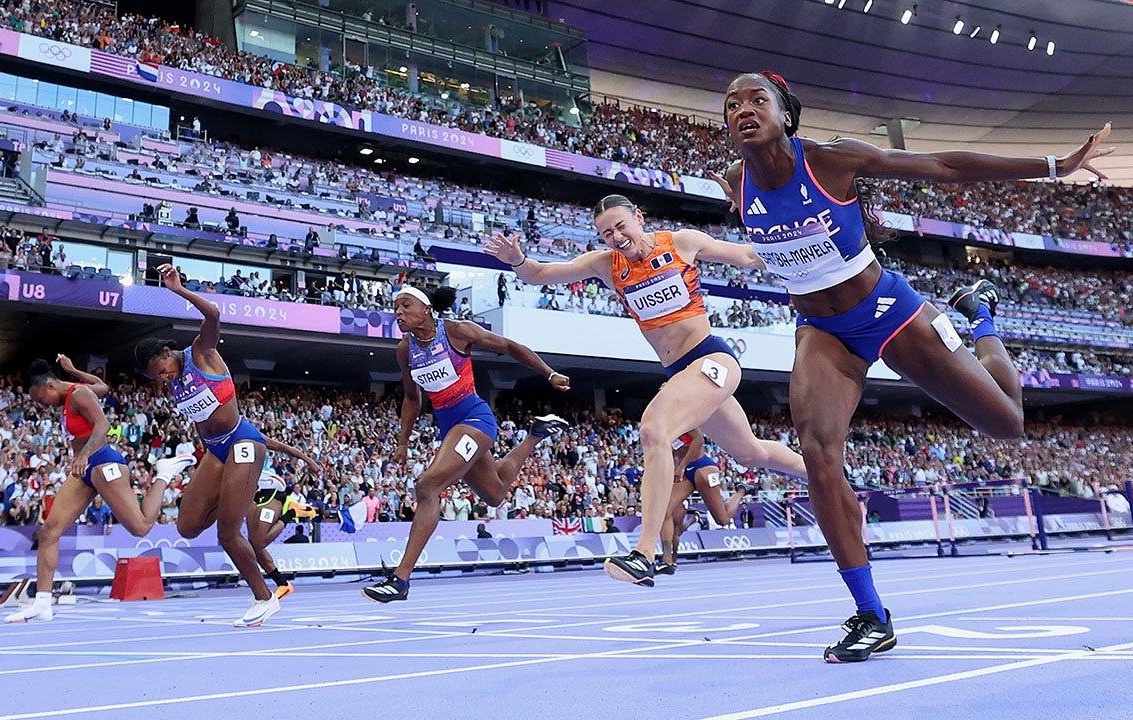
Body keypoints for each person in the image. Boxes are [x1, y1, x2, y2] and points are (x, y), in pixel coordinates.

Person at [712, 71, 1114, 662]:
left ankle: (980, 319)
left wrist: (1055, 165)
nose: (744, 109)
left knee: (1008, 423)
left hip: (888, 310)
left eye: (757, 100)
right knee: (819, 454)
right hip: (822, 331)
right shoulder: (735, 182)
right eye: (732, 104)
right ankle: (871, 614)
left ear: (785, 114)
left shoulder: (831, 161)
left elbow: (945, 166)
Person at [485, 195, 806, 589]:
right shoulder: (605, 264)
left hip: (713, 360)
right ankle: (823, 471)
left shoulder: (681, 242)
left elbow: (746, 256)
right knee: (749, 452)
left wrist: (796, 236)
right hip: (681, 373)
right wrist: (517, 259)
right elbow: (540, 273)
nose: (616, 237)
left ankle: (645, 552)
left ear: (639, 217)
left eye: (621, 226)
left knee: (654, 429)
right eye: (606, 233)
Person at [362, 285, 570, 603]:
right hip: (451, 429)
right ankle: (535, 435)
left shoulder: (457, 331)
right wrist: (402, 443)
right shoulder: (405, 350)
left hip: (475, 420)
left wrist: (549, 373)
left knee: (427, 486)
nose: (398, 313)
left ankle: (400, 579)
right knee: (495, 494)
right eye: (396, 308)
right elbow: (411, 397)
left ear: (427, 309)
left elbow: (509, 346)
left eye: (405, 306)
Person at [135, 264, 280, 627]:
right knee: (187, 527)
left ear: (169, 351)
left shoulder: (201, 351)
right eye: (159, 378)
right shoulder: (171, 380)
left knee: (228, 533)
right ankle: (241, 488)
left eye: (164, 369)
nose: (165, 377)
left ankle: (264, 598)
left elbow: (213, 314)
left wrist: (178, 290)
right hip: (216, 451)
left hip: (242, 442)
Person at [6, 356, 193, 623]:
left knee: (139, 527)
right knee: (49, 531)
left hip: (102, 461)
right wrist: (72, 370)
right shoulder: (71, 392)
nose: (41, 405)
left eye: (39, 399)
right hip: (83, 472)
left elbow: (103, 425)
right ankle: (42, 603)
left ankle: (163, 474)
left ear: (49, 386)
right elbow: (102, 387)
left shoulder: (79, 394)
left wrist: (84, 455)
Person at [656, 428, 749, 575]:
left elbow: (699, 440)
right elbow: (673, 454)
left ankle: (742, 490)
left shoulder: (685, 419)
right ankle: (667, 560)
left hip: (703, 468)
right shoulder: (665, 427)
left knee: (722, 519)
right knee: (665, 511)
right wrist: (674, 471)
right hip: (686, 472)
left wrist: (681, 466)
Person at [246, 438, 322, 601]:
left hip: (271, 489)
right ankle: (283, 584)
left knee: (259, 542)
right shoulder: (219, 442)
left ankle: (291, 512)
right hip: (251, 495)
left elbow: (284, 447)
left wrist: (309, 461)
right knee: (253, 545)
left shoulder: (249, 434)